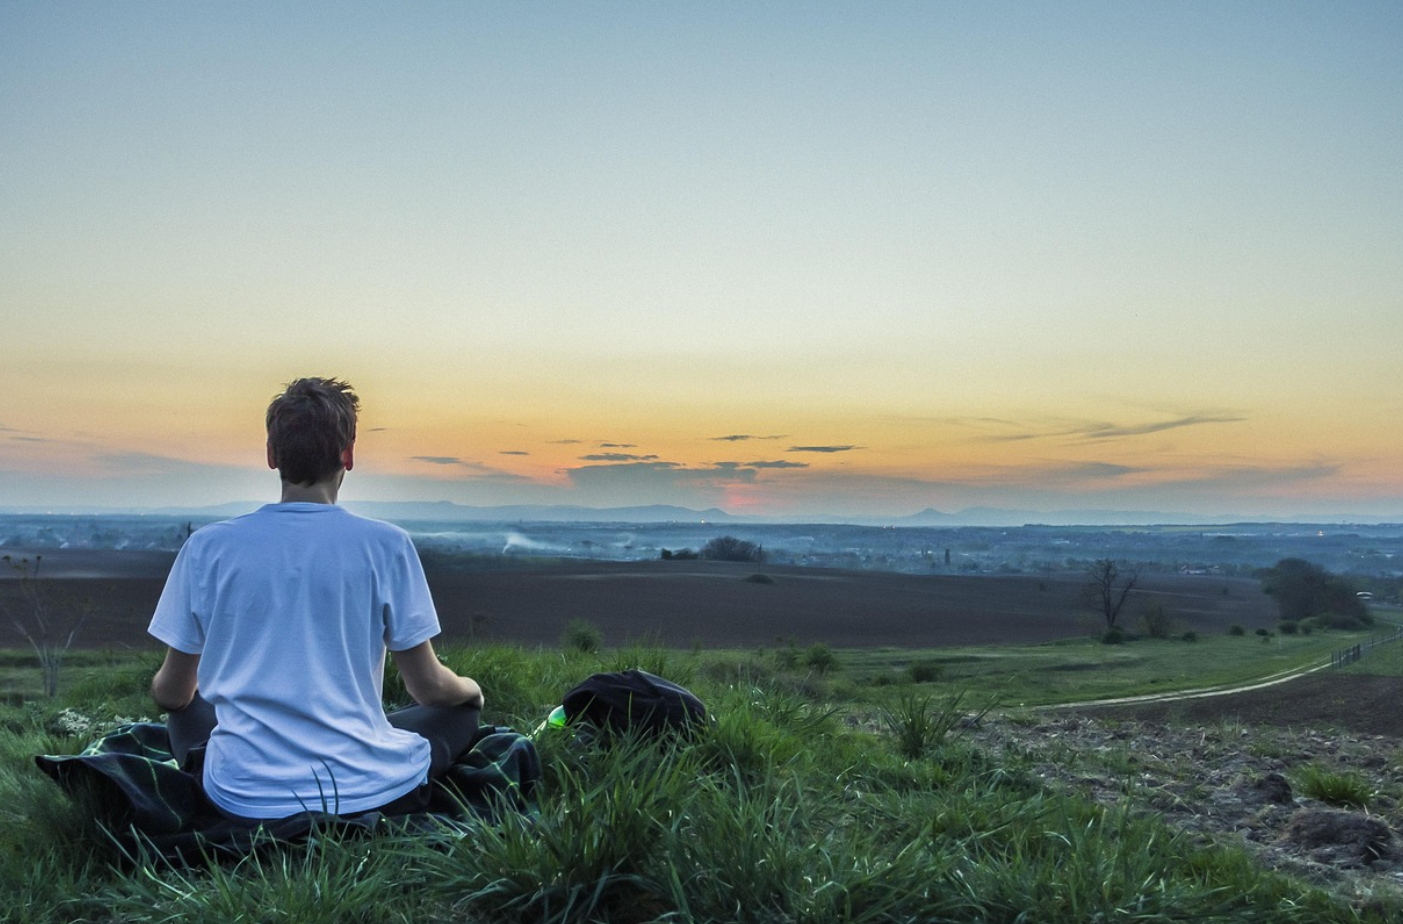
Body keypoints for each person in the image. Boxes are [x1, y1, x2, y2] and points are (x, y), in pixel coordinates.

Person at [148, 377, 483, 822]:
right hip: (364, 788)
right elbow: (428, 689)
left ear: (272, 455)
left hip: (241, 795)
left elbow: (171, 694)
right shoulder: (387, 545)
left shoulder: (207, 548)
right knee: (458, 715)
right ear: (348, 454)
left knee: (187, 709)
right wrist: (471, 691)